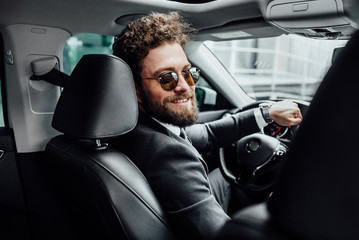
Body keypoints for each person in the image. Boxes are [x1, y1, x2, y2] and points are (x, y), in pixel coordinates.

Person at [111, 11, 302, 240]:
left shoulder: (130, 129)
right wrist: (276, 214)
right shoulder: (169, 155)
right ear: (135, 90)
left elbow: (208, 134)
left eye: (188, 73)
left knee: (226, 180)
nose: (184, 86)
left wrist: (266, 113)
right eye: (166, 78)